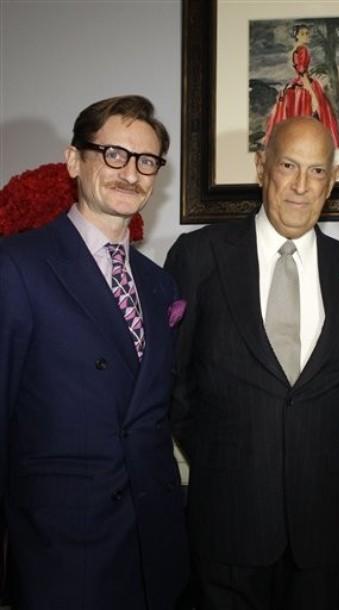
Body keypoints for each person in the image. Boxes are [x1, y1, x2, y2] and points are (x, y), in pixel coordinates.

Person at [165, 116, 339, 610]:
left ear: (334, 179)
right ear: (262, 167)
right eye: (288, 166)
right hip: (226, 524)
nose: (302, 186)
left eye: (317, 171)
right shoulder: (197, 256)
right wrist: (226, 458)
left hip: (321, 530)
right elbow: (173, 381)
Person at [0, 95, 189, 610]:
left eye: (146, 161)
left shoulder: (158, 284)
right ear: (73, 160)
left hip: (152, 547)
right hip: (60, 551)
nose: (130, 173)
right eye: (113, 154)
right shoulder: (17, 265)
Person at [263, 24, 339, 148]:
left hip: (300, 83)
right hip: (304, 85)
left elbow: (302, 73)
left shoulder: (297, 49)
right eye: (303, 34)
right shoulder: (302, 50)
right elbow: (302, 73)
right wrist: (313, 95)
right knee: (310, 114)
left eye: (307, 33)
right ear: (297, 36)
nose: (307, 36)